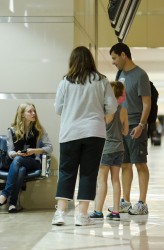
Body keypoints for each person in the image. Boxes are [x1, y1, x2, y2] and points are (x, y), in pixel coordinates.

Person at [52, 46, 118, 226]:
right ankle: (82, 215)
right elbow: (112, 107)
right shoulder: (101, 81)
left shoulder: (65, 81)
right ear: (90, 60)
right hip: (94, 132)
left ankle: (60, 213)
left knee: (66, 172)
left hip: (70, 133)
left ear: (72, 61)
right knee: (88, 173)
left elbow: (58, 108)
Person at [108, 43, 151, 215]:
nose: (113, 62)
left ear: (123, 55)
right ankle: (125, 201)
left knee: (139, 163)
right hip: (121, 125)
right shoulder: (120, 74)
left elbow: (146, 103)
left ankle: (142, 203)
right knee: (124, 164)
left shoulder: (140, 75)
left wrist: (141, 125)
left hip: (136, 125)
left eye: (114, 58)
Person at [0, 103, 53, 213]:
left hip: (34, 162)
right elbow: (10, 151)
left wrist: (34, 151)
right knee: (21, 169)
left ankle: (5, 194)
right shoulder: (11, 130)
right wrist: (16, 154)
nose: (33, 113)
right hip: (18, 162)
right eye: (30, 111)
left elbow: (50, 147)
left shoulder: (39, 129)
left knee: (18, 161)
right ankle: (12, 204)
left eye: (34, 111)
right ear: (22, 114)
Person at [90, 81, 128, 221]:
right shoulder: (123, 110)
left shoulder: (105, 110)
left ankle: (98, 211)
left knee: (102, 180)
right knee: (116, 180)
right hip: (119, 148)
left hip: (105, 149)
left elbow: (99, 128)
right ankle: (116, 212)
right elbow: (125, 132)